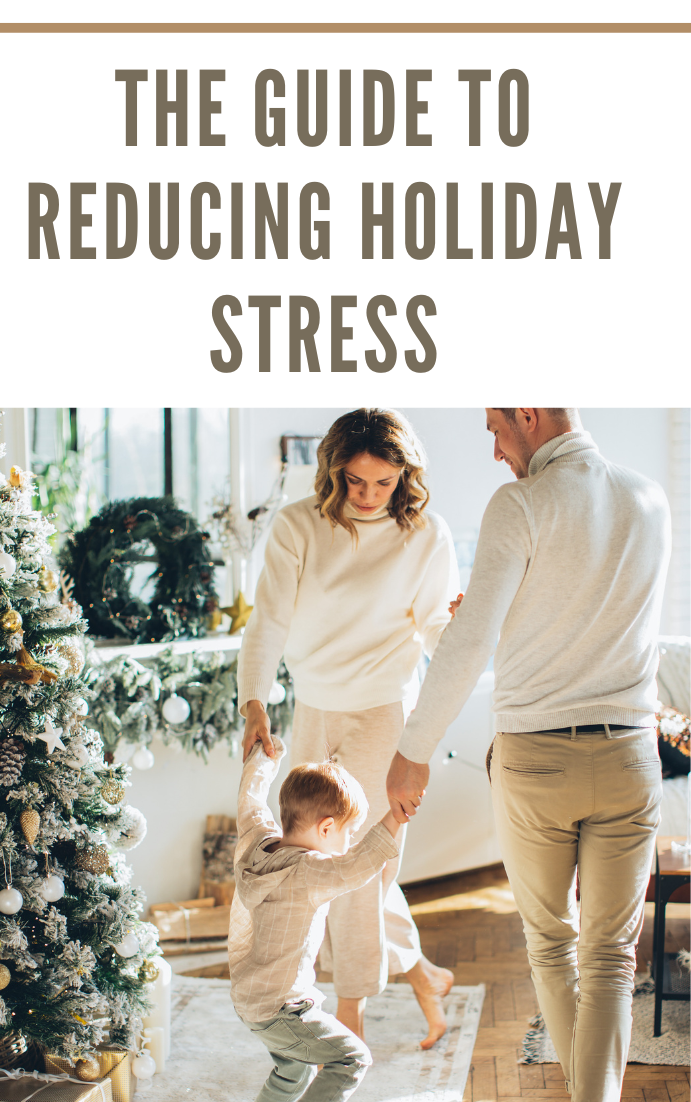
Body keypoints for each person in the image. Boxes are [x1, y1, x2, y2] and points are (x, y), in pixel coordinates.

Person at [387, 408, 672, 1102]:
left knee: (551, 945)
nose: (492, 449)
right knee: (608, 959)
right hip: (630, 754)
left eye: (495, 427)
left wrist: (412, 750)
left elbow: (469, 643)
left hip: (536, 761)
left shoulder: (519, 503)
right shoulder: (649, 499)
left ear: (528, 414)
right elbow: (604, 619)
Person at [238, 407, 460, 1048]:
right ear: (333, 472)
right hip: (313, 706)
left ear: (404, 478)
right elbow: (269, 621)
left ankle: (351, 1008)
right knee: (310, 856)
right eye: (354, 481)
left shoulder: (426, 535)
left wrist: (464, 634)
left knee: (359, 867)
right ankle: (422, 974)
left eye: (382, 484)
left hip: (383, 713)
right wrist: (256, 701)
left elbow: (435, 629)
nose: (367, 497)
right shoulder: (297, 526)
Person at [229, 735, 400, 1102]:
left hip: (250, 998)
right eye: (348, 833)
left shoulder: (260, 842)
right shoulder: (310, 870)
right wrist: (395, 818)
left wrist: (264, 760)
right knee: (352, 1058)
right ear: (325, 828)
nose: (349, 843)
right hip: (282, 1008)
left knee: (294, 1070)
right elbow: (355, 867)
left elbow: (250, 801)